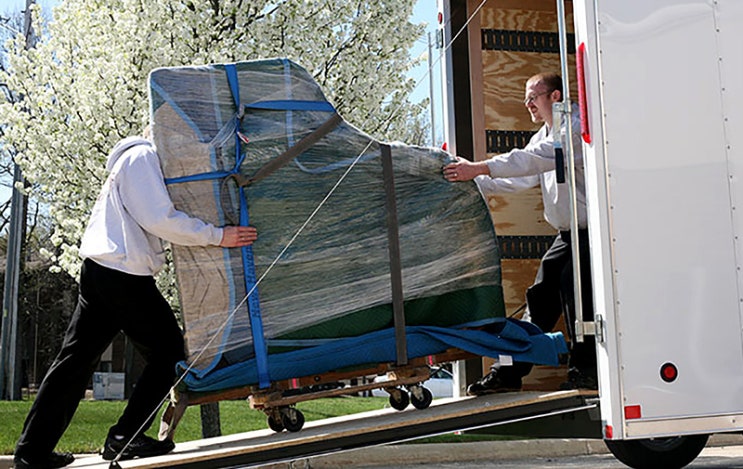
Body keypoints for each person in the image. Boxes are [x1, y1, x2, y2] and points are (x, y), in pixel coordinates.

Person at [13, 131, 258, 469]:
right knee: (169, 352)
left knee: (73, 363)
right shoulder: (141, 158)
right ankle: (124, 438)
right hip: (122, 273)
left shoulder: (134, 160)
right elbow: (159, 218)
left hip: (104, 269)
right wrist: (217, 236)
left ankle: (31, 452)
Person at [443, 72, 597, 394]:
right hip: (567, 236)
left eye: (533, 97)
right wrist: (469, 179)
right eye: (526, 99)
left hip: (590, 235)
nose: (528, 105)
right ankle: (507, 372)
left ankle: (587, 373)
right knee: (538, 300)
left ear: (554, 96)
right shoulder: (544, 134)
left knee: (577, 299)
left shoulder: (576, 125)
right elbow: (518, 177)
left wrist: (480, 167)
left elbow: (531, 161)